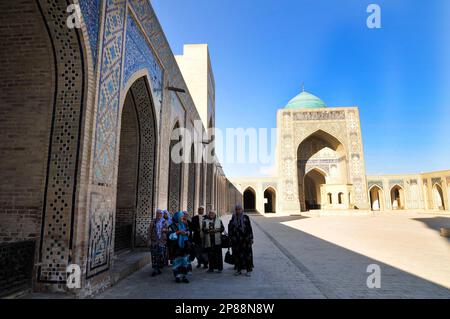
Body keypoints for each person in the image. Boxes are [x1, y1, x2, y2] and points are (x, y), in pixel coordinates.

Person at [228, 204, 254, 276]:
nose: (238, 211)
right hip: (236, 241)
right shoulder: (233, 218)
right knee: (237, 255)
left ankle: (248, 270)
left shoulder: (246, 217)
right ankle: (238, 270)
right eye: (236, 209)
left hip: (246, 240)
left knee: (247, 255)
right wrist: (230, 238)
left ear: (242, 210)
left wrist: (251, 238)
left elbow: (249, 228)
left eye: (239, 209)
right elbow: (230, 228)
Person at [168, 211, 192, 283]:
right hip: (176, 247)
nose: (182, 218)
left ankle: (184, 276)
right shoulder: (171, 226)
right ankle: (177, 276)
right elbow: (170, 236)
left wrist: (186, 233)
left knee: (184, 261)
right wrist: (178, 232)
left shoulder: (184, 224)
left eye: (182, 216)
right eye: (181, 217)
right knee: (176, 262)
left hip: (184, 246)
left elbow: (189, 232)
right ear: (177, 217)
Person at [148, 209, 169, 277]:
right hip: (154, 242)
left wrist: (165, 230)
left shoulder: (165, 222)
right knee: (154, 256)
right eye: (158, 214)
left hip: (162, 242)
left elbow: (168, 230)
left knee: (161, 255)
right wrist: (149, 240)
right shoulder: (153, 222)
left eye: (160, 214)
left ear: (162, 215)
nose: (159, 215)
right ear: (156, 214)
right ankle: (155, 269)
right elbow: (149, 232)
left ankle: (159, 267)